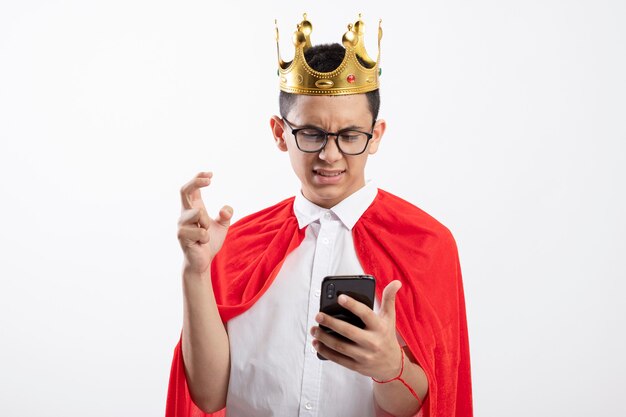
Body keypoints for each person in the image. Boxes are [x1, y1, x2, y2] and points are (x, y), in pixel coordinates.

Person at [166, 14, 473, 417]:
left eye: (350, 136)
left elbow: (433, 402)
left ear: (375, 136)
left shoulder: (426, 244)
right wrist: (196, 271)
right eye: (311, 133)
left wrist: (389, 368)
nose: (330, 155)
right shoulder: (237, 244)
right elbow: (208, 396)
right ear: (280, 133)